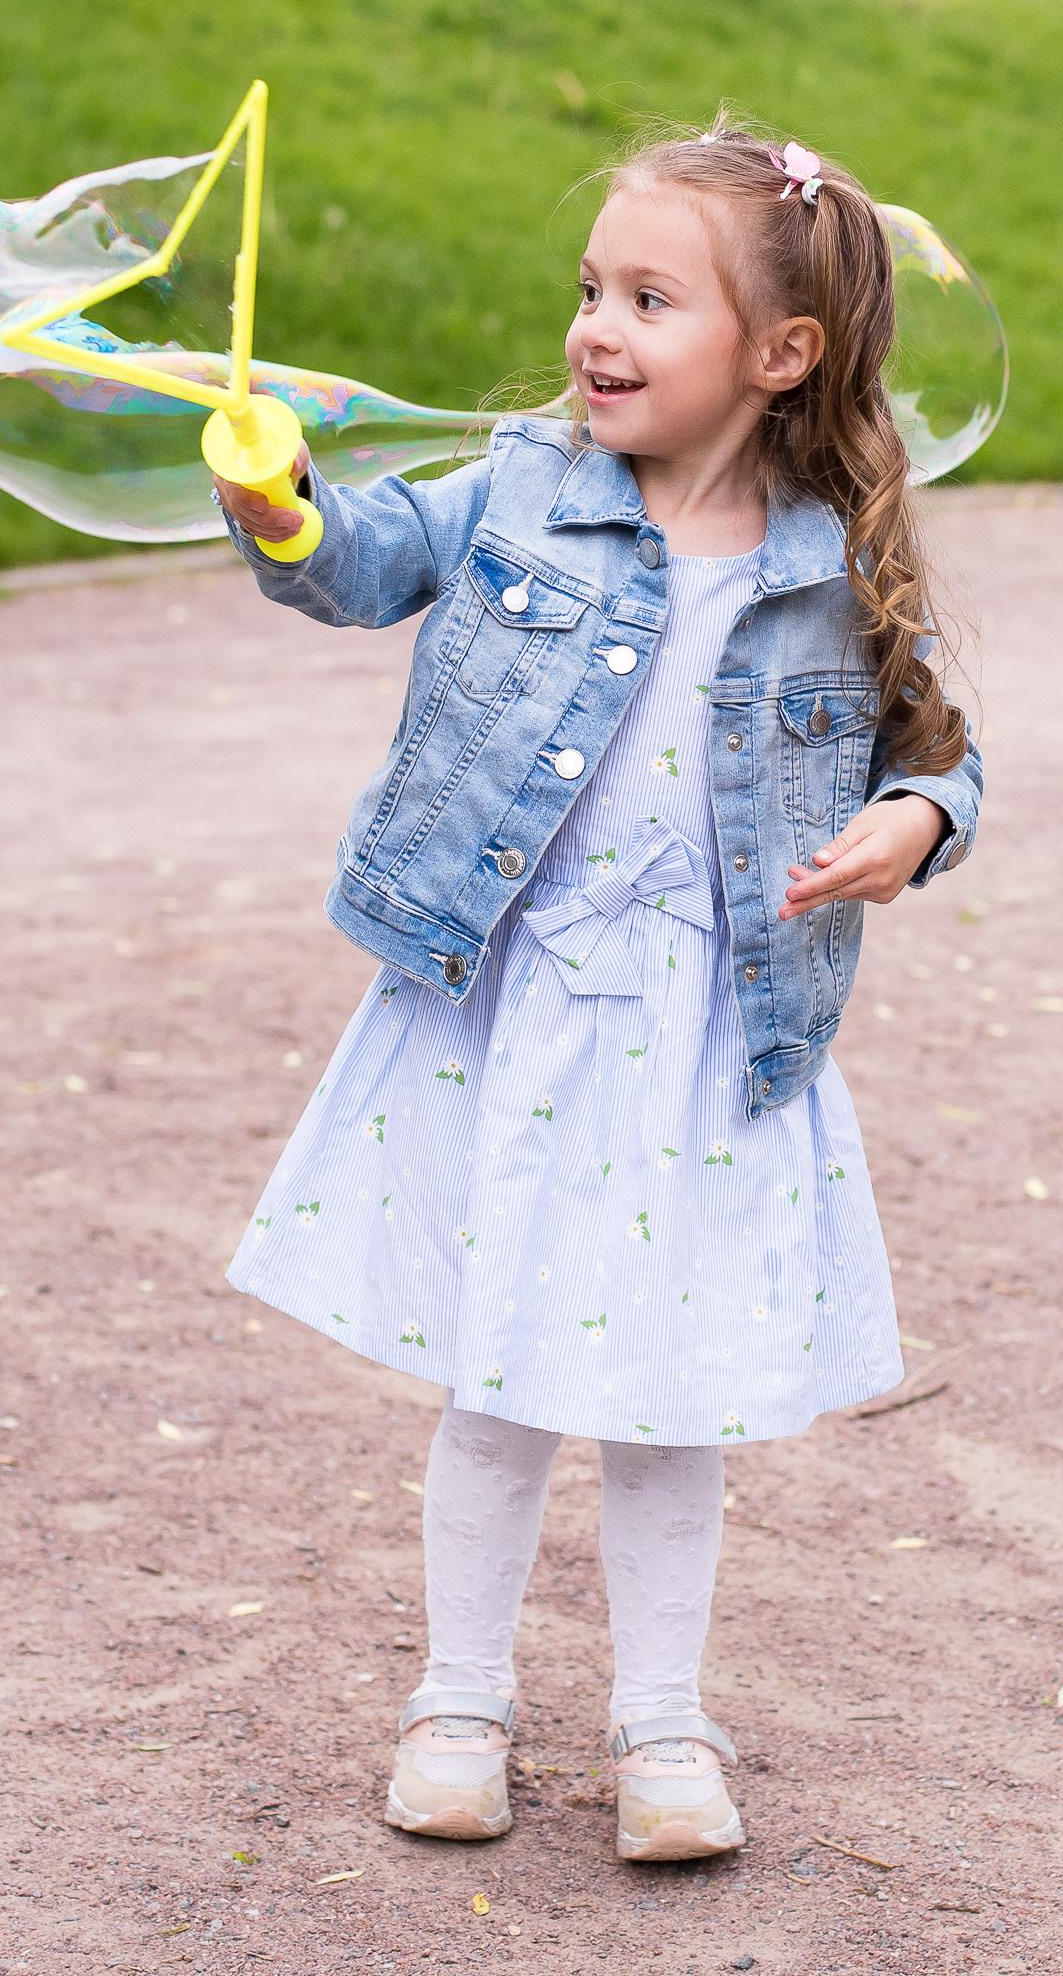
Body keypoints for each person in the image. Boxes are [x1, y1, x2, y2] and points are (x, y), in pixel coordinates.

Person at [213, 119, 982, 1862]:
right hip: (517, 1009)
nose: (596, 330)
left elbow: (946, 755)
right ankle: (458, 1700)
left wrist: (910, 822)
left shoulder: (828, 564)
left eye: (651, 298)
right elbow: (354, 561)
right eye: (590, 290)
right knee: (502, 1379)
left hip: (707, 1040)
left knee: (673, 1394)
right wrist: (277, 501)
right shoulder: (514, 490)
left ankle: (663, 1731)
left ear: (781, 358)